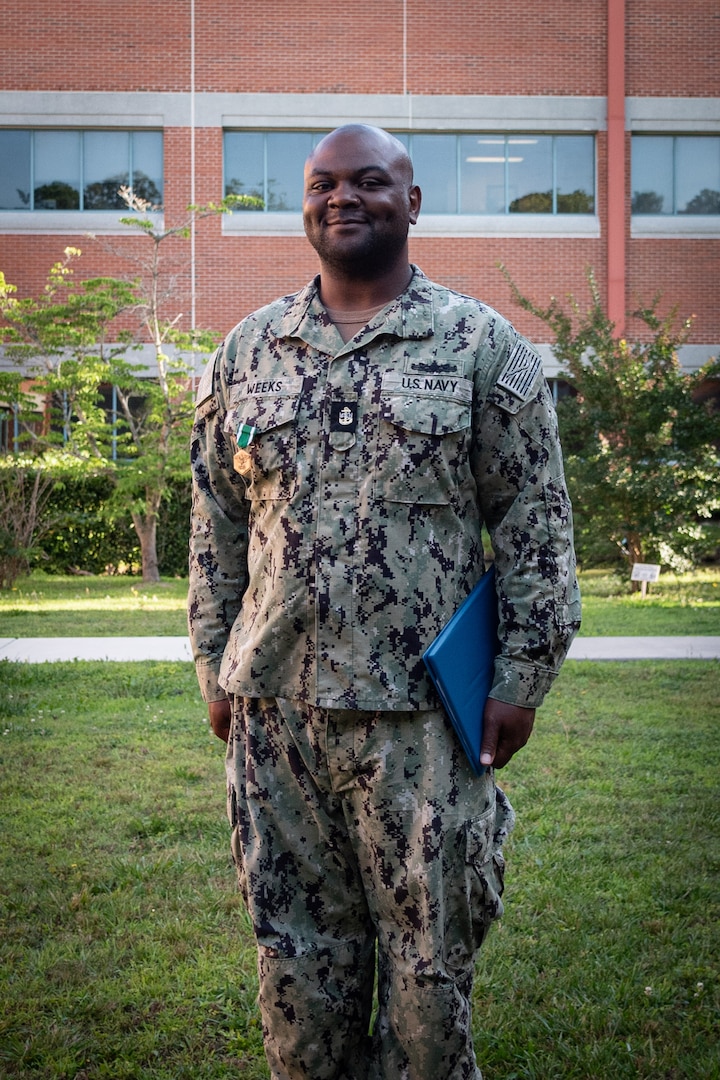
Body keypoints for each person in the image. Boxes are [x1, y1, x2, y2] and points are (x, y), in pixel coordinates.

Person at [188, 124, 581, 1080]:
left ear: (413, 204)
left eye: (370, 182)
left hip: (422, 727)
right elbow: (216, 525)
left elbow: (537, 530)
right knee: (296, 973)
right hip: (276, 720)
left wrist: (520, 683)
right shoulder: (250, 349)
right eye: (324, 184)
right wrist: (214, 664)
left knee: (426, 984)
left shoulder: (481, 346)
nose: (343, 199)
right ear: (305, 206)